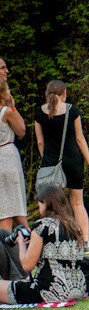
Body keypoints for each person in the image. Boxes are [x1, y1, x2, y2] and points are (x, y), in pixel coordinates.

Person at [34, 80, 89, 254]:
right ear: (64, 93)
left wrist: (48, 160)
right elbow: (80, 139)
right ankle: (85, 242)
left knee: (47, 202)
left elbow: (40, 141)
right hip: (73, 161)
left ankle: (46, 239)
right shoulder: (72, 111)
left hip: (50, 163)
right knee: (77, 203)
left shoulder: (39, 113)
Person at [0, 185, 87, 304]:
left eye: (39, 204)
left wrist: (20, 242)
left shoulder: (42, 225)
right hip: (77, 290)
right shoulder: (74, 226)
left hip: (48, 291)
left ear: (45, 203)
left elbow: (27, 266)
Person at [0, 79, 28, 231]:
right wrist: (14, 108)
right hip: (7, 156)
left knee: (6, 202)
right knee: (11, 204)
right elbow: (21, 130)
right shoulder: (6, 112)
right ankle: (8, 247)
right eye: (8, 89)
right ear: (3, 93)